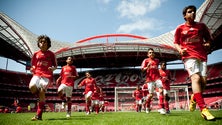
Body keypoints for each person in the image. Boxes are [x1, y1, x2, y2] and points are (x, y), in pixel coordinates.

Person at [174, 5, 215, 120]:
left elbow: (209, 39)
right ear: (184, 15)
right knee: (195, 79)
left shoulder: (202, 26)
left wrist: (208, 44)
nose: (192, 13)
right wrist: (180, 50)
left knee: (203, 82)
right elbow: (176, 42)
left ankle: (194, 98)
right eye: (189, 12)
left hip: (202, 56)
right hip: (189, 56)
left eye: (193, 11)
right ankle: (203, 109)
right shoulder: (180, 28)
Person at [29, 35, 57, 121]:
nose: (43, 43)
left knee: (41, 90)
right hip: (37, 74)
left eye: (45, 42)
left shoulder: (51, 54)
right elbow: (33, 65)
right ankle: (41, 98)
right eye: (41, 42)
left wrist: (53, 68)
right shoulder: (35, 54)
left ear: (48, 44)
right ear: (38, 43)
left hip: (47, 76)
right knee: (32, 87)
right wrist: (32, 68)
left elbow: (55, 65)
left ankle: (39, 115)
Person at [141, 48, 166, 114]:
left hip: (157, 78)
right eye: (150, 52)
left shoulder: (157, 60)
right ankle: (147, 106)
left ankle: (161, 108)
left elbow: (157, 69)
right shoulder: (146, 60)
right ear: (147, 54)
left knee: (161, 91)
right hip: (150, 80)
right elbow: (142, 69)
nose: (151, 53)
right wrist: (147, 67)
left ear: (154, 54)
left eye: (152, 52)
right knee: (151, 95)